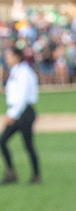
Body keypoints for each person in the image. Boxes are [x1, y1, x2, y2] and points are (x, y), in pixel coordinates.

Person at [2, 45, 41, 185]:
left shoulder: (24, 72)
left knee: (28, 145)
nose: (6, 58)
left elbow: (22, 96)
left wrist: (12, 114)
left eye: (9, 56)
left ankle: (36, 176)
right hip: (17, 111)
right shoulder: (15, 71)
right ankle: (11, 173)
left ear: (17, 57)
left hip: (23, 112)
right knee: (2, 141)